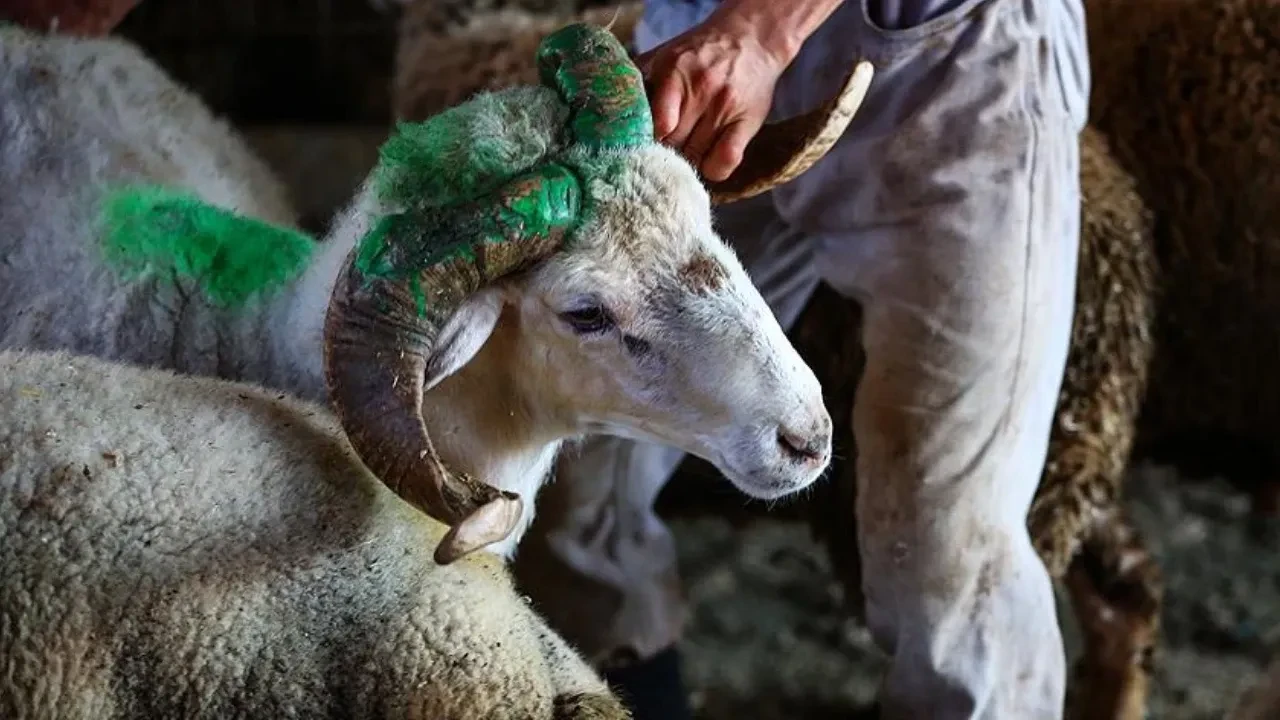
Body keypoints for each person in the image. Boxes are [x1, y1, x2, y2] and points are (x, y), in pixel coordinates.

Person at [512, 0, 1090, 717]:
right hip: (691, 71)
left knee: (946, 541)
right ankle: (630, 697)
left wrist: (760, 28)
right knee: (576, 462)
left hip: (951, 67)